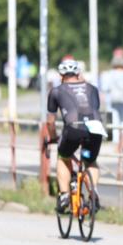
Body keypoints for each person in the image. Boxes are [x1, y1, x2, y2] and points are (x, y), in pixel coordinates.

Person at [46, 58, 105, 214]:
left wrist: (52, 138)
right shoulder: (92, 88)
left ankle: (65, 195)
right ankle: (94, 192)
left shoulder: (56, 91)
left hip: (73, 130)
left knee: (63, 156)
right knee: (89, 160)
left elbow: (50, 122)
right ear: (79, 73)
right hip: (95, 129)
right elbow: (93, 108)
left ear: (60, 75)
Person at [100, 55, 123, 139]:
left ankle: (115, 141)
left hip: (111, 101)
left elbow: (104, 88)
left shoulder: (108, 74)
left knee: (113, 121)